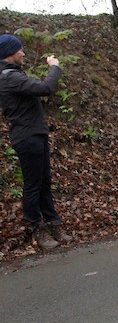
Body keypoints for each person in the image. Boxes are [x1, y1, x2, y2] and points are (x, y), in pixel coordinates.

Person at [0, 34, 73, 249]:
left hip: (35, 134)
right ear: (10, 53)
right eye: (20, 50)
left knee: (44, 183)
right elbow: (45, 88)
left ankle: (54, 224)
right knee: (33, 185)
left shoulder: (12, 75)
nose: (23, 53)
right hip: (27, 136)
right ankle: (38, 230)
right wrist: (55, 67)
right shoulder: (9, 77)